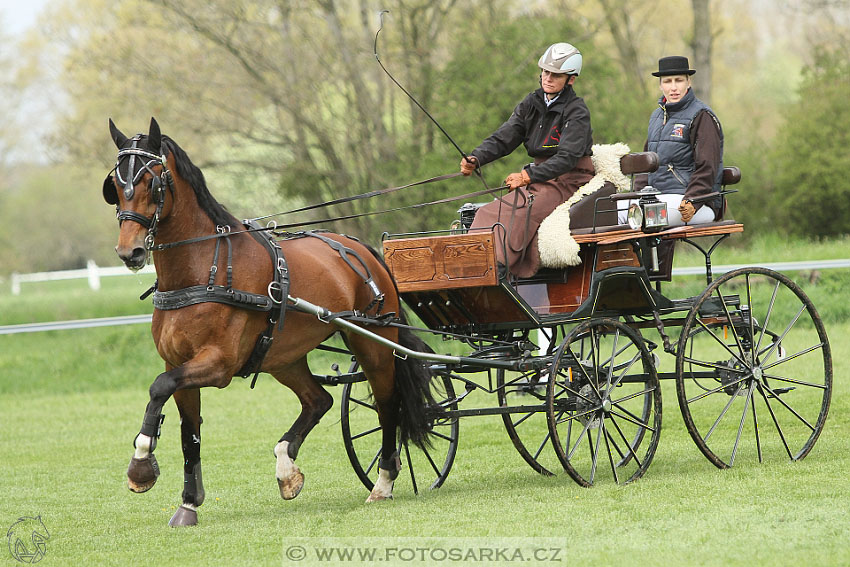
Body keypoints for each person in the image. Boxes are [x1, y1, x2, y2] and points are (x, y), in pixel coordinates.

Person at [459, 42, 594, 278]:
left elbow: (567, 158)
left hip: (569, 180)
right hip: (541, 179)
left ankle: (499, 270)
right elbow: (505, 137)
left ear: (570, 79)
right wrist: (476, 157)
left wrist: (527, 176)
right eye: (545, 72)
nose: (548, 78)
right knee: (486, 213)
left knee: (520, 214)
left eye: (556, 75)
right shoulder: (531, 103)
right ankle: (472, 266)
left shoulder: (577, 111)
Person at [620, 55, 724, 226]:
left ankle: (654, 253)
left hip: (694, 202)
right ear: (660, 85)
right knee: (611, 213)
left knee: (647, 217)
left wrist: (693, 200)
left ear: (688, 82)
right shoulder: (656, 117)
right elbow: (645, 165)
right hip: (656, 197)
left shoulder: (702, 116)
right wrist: (636, 196)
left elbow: (707, 167)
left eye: (679, 80)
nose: (673, 87)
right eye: (668, 81)